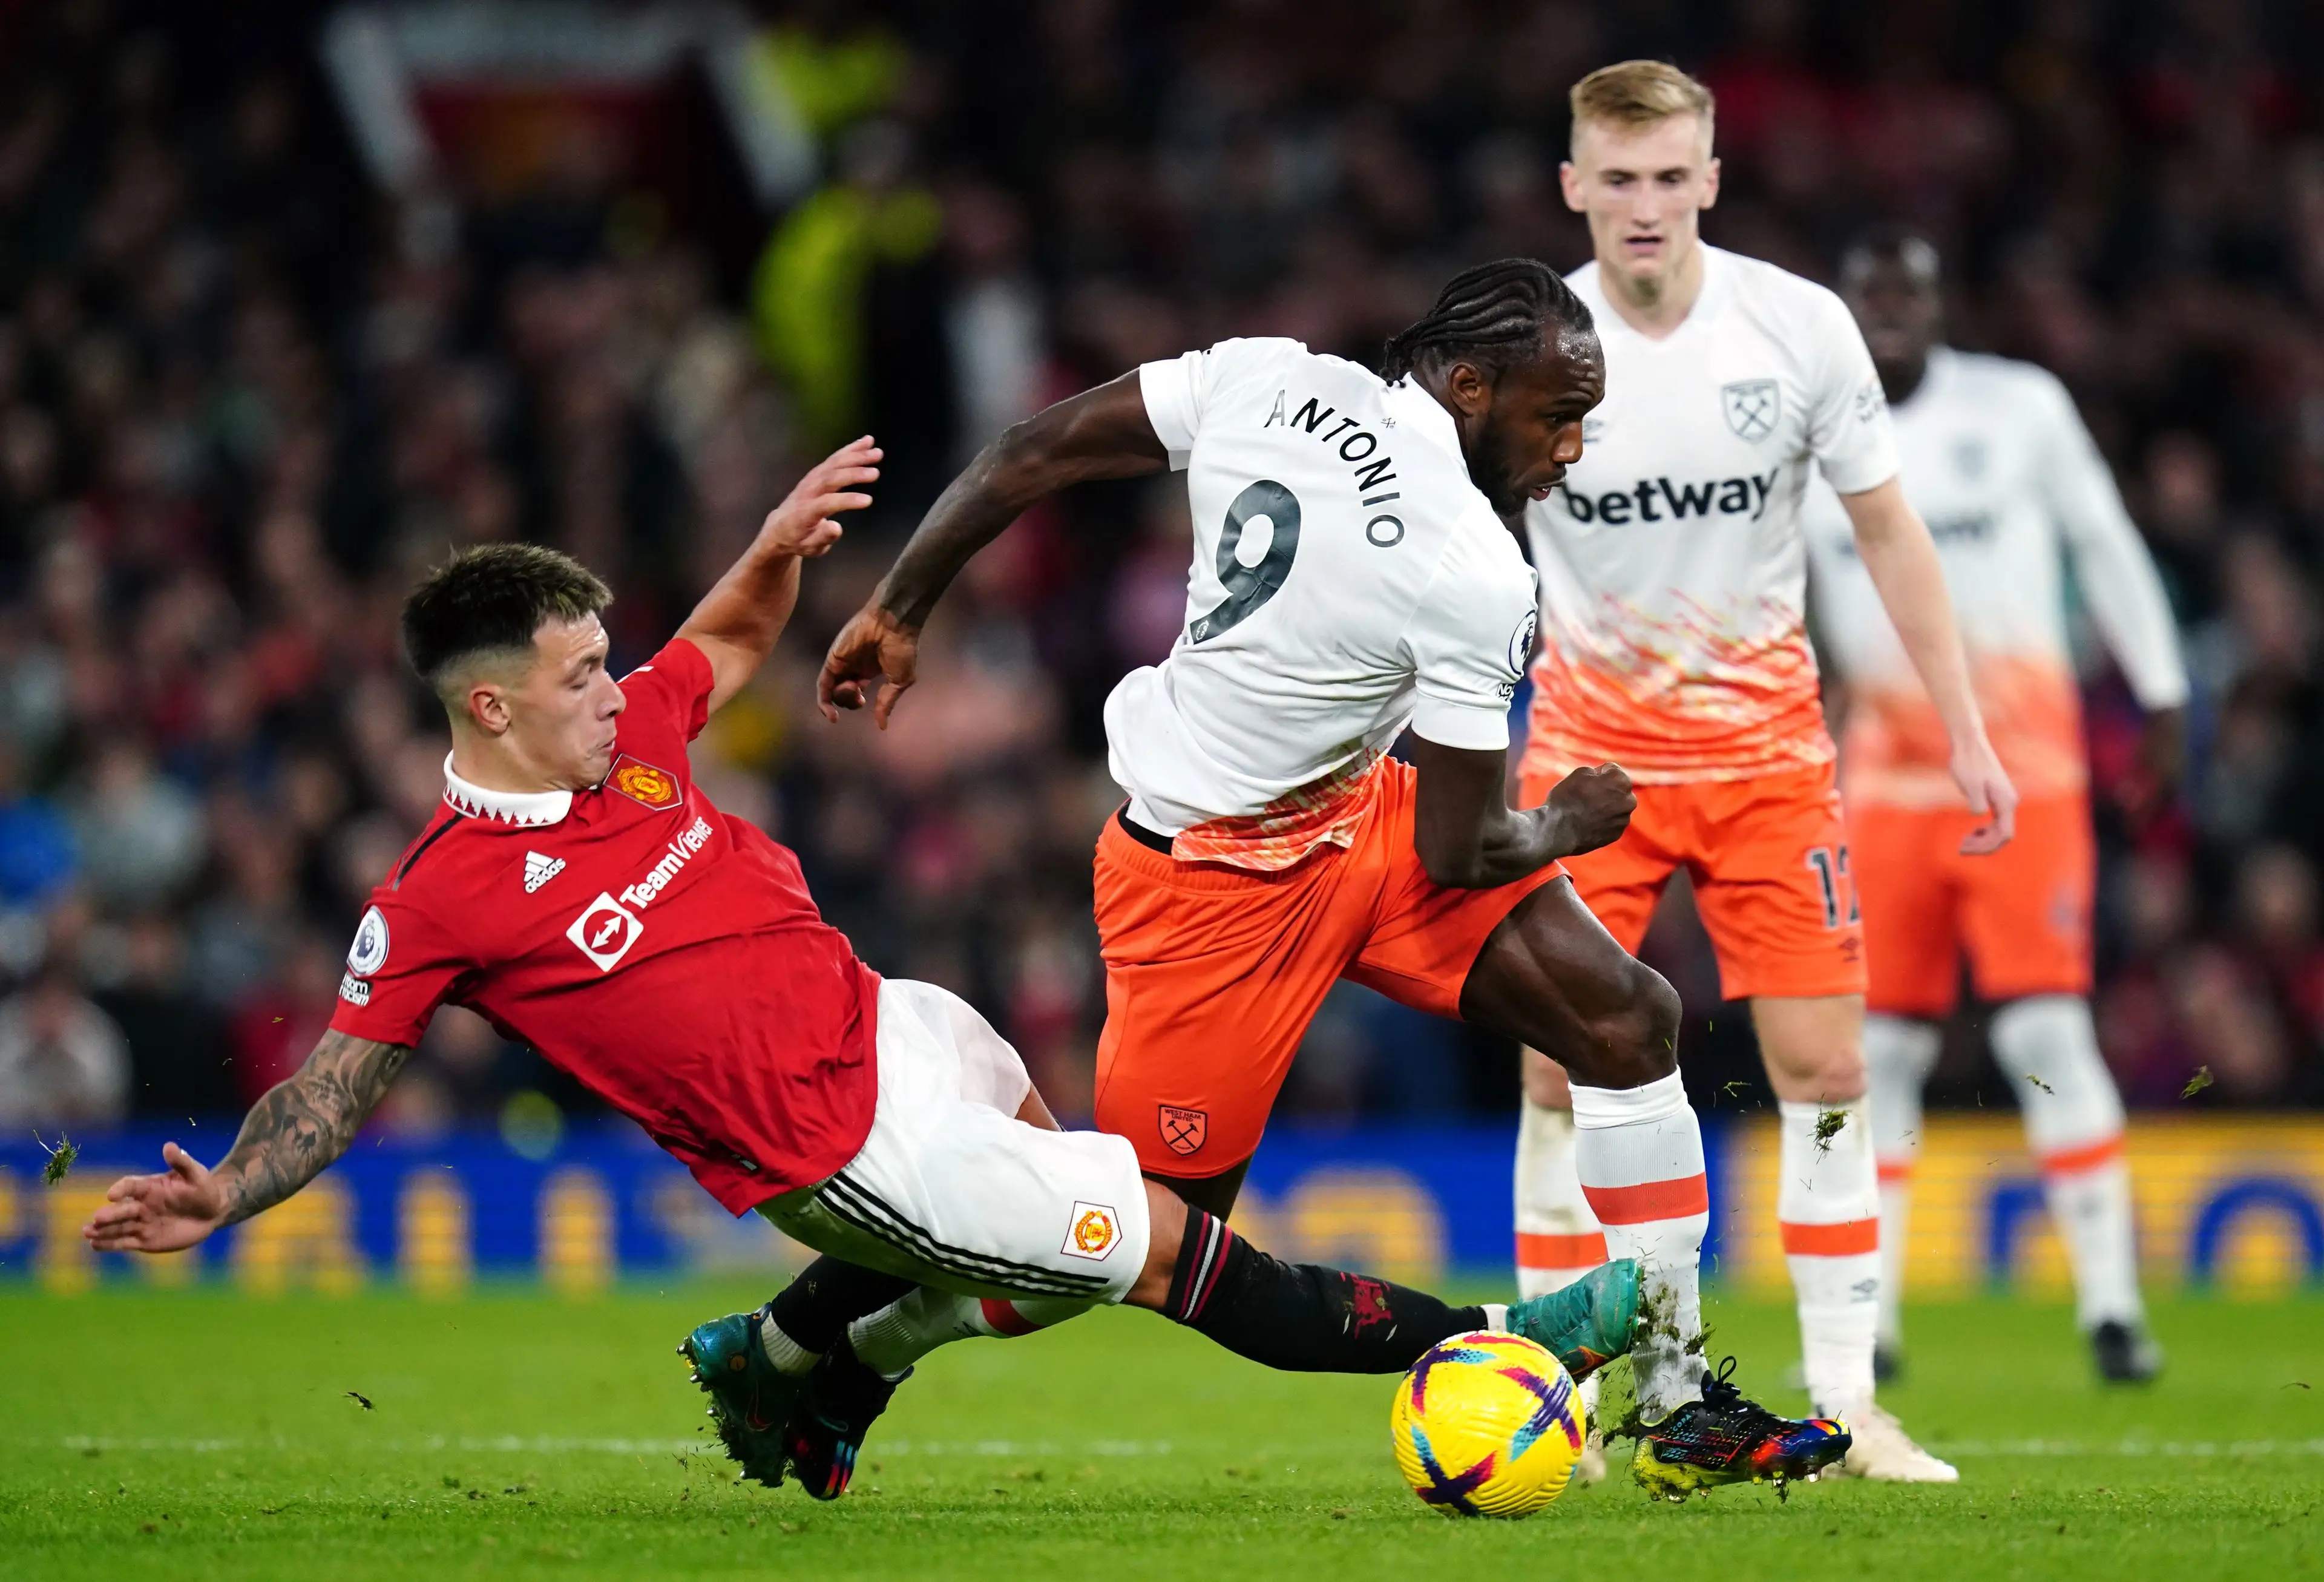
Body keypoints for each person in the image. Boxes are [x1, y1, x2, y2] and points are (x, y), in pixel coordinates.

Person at [78, 441, 1647, 1505]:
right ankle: (1502, 1333)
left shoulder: (628, 735)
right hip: (847, 1149)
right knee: (1167, 1250)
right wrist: (226, 1191)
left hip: (898, 1021)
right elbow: (336, 1077)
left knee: (1045, 1262)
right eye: (574, 677)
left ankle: (789, 1363)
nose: (614, 693)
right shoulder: (441, 895)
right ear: (487, 712)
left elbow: (728, 639)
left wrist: (777, 542)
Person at [819, 258, 1849, 1498]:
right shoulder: (1471, 564)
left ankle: (1679, 1401)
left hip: (1351, 811)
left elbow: (1032, 451)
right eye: (1554, 416)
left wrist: (899, 606)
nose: (1574, 451)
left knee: (1629, 1017)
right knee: (1141, 1238)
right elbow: (1466, 851)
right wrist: (1570, 820)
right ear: (1468, 386)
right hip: (1212, 885)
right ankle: (855, 1353)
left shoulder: (1267, 375)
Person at [1509, 61, 2017, 1482]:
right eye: (1619, 180)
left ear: (1712, 180)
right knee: (1558, 1079)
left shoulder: (1797, 327)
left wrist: (1964, 722)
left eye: (1673, 177)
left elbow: (1893, 531)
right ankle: (1562, 1399)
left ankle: (1850, 1405)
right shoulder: (1533, 344)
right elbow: (1448, 546)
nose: (1647, 206)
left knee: (1830, 1068)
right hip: (1585, 773)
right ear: (1575, 187)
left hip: (1771, 762)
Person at [1804, 230, 2184, 1383]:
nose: (1890, 310)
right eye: (1870, 293)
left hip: (2024, 774)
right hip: (1880, 781)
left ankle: (2114, 1312)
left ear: (1937, 299)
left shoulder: (2020, 408)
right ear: (1848, 312)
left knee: (2042, 1031)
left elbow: (2105, 541)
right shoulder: (1809, 439)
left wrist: (2162, 691)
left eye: (1907, 290)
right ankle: (1874, 1319)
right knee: (1879, 1051)